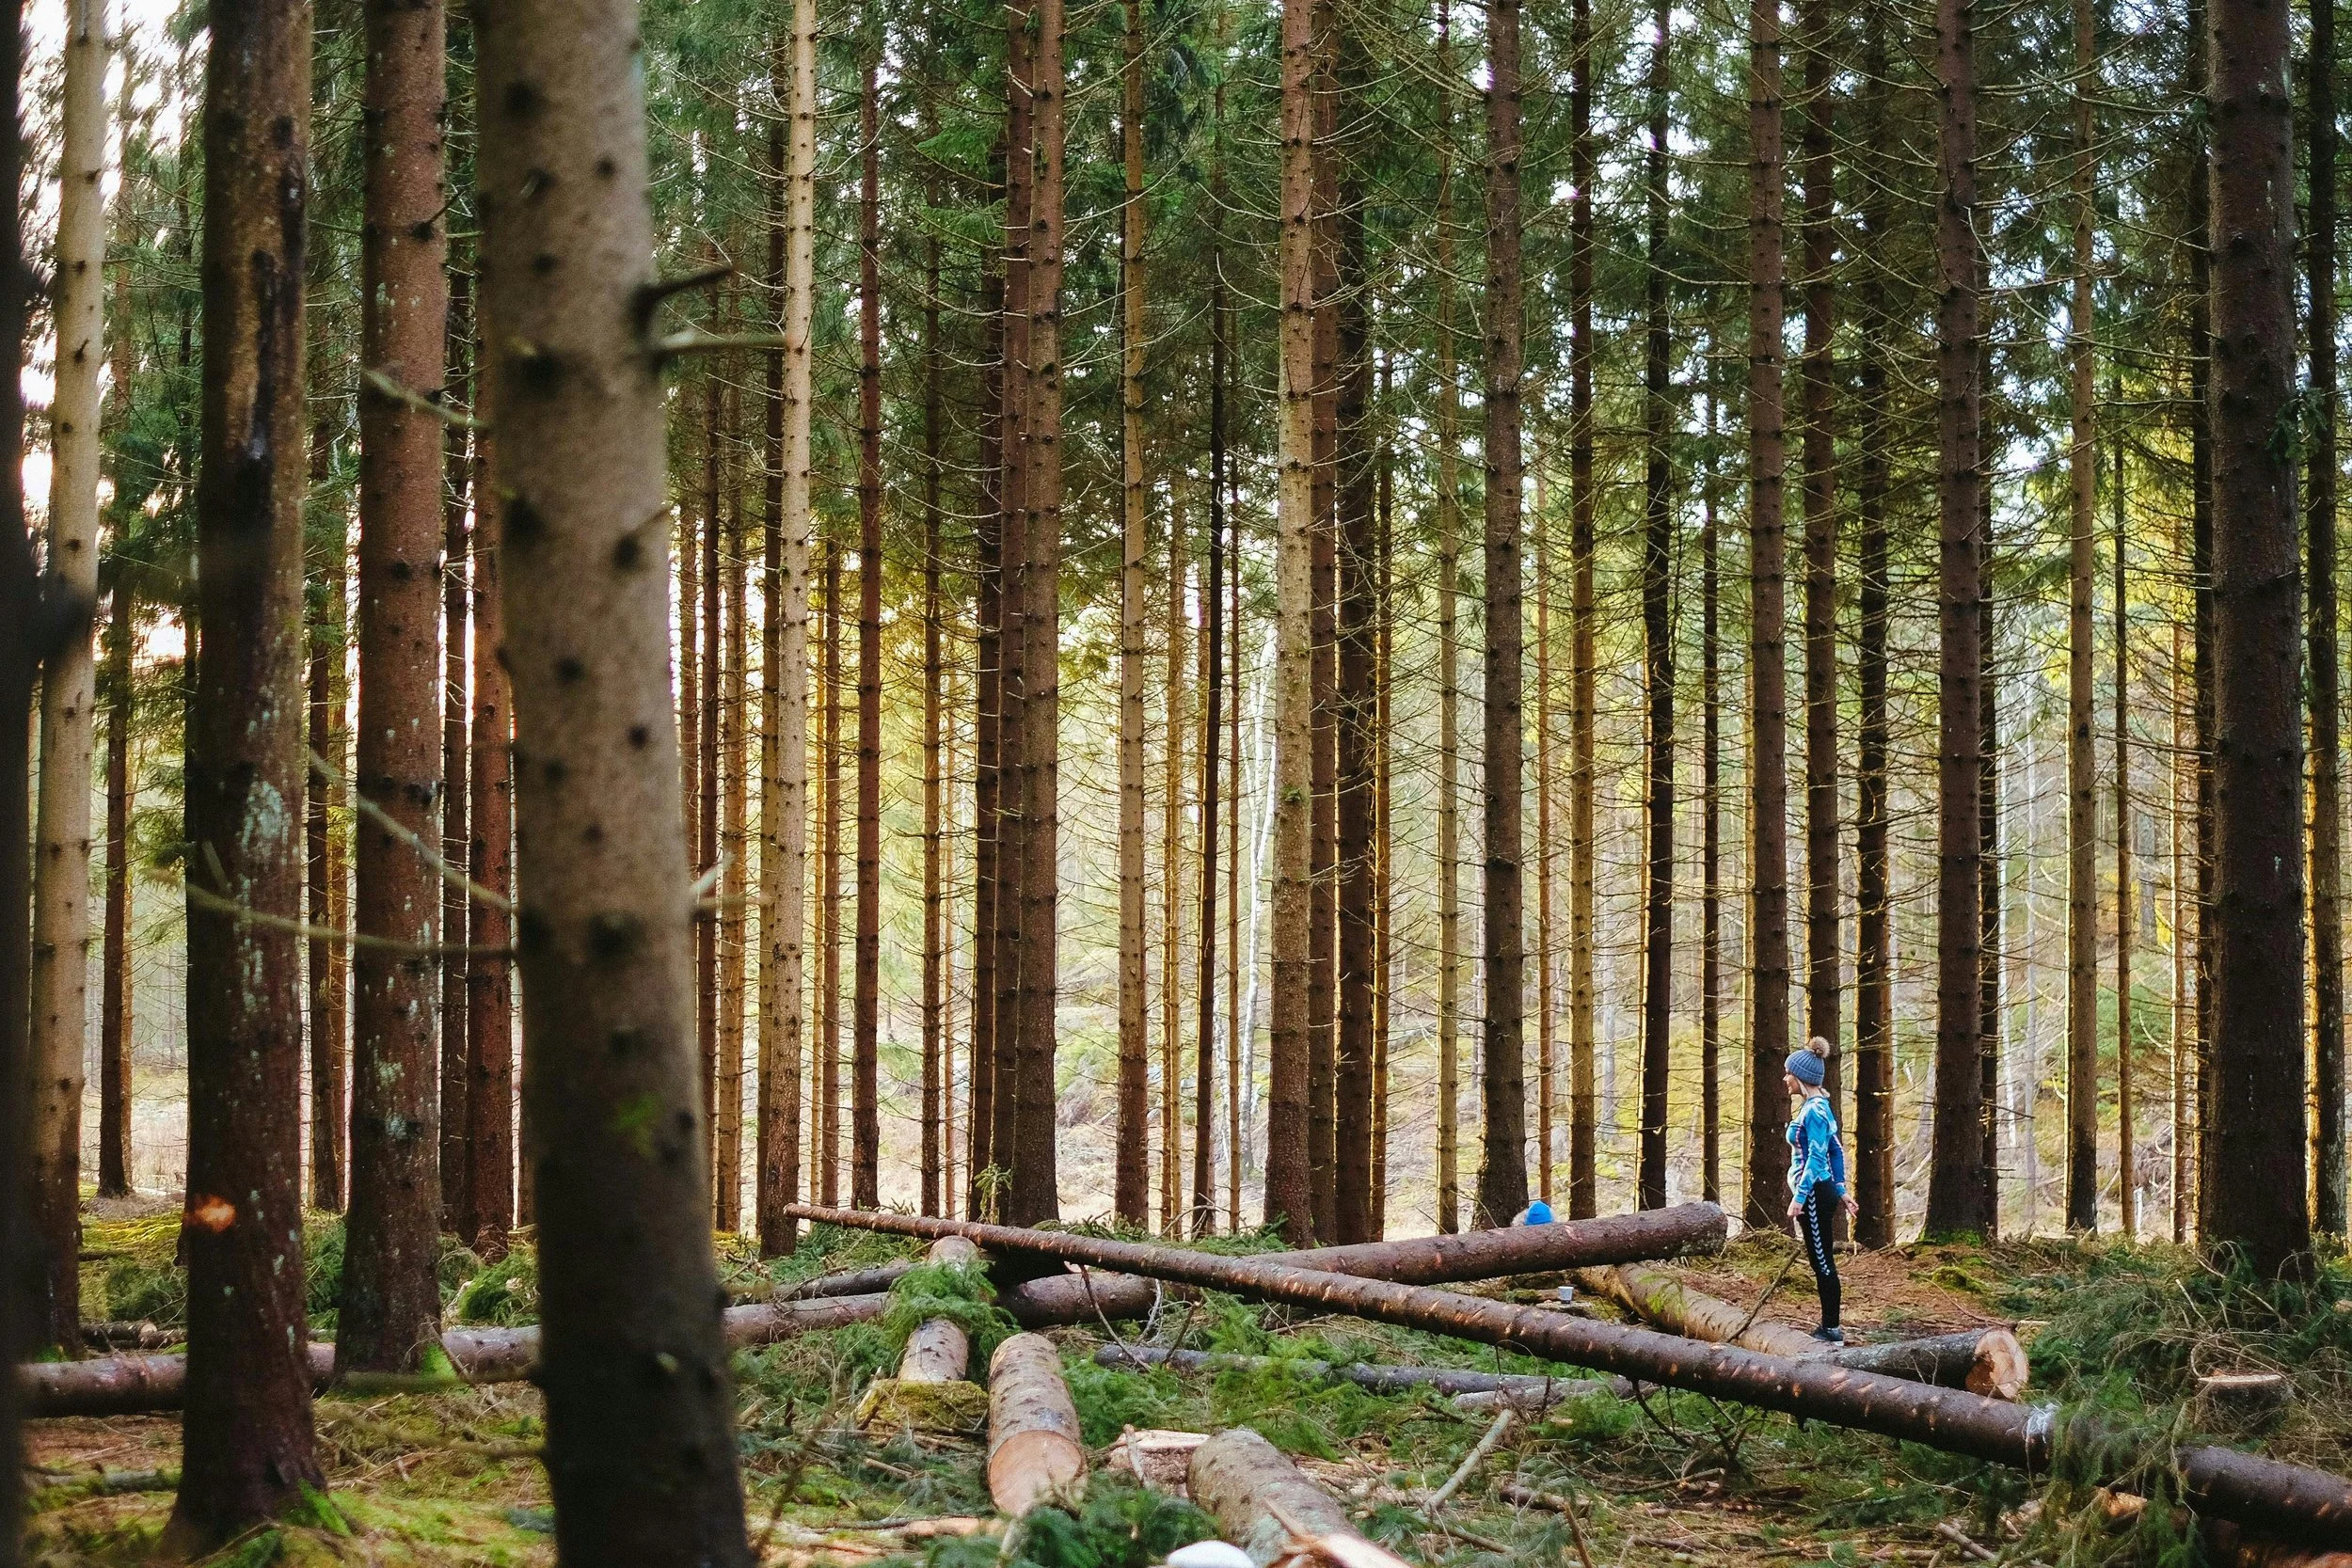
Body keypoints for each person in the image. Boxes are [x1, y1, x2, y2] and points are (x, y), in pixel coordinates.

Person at [1784, 1037, 1857, 1344]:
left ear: (1801, 1077)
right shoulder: (1821, 1107)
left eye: (1788, 1073)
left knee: (1822, 1261)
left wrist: (1799, 1199)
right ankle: (1830, 1327)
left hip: (1813, 1194)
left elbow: (1816, 1156)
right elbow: (1836, 1151)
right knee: (1822, 1258)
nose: (1784, 1078)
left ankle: (1831, 1330)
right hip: (1822, 1191)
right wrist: (1842, 1190)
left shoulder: (1813, 1111)